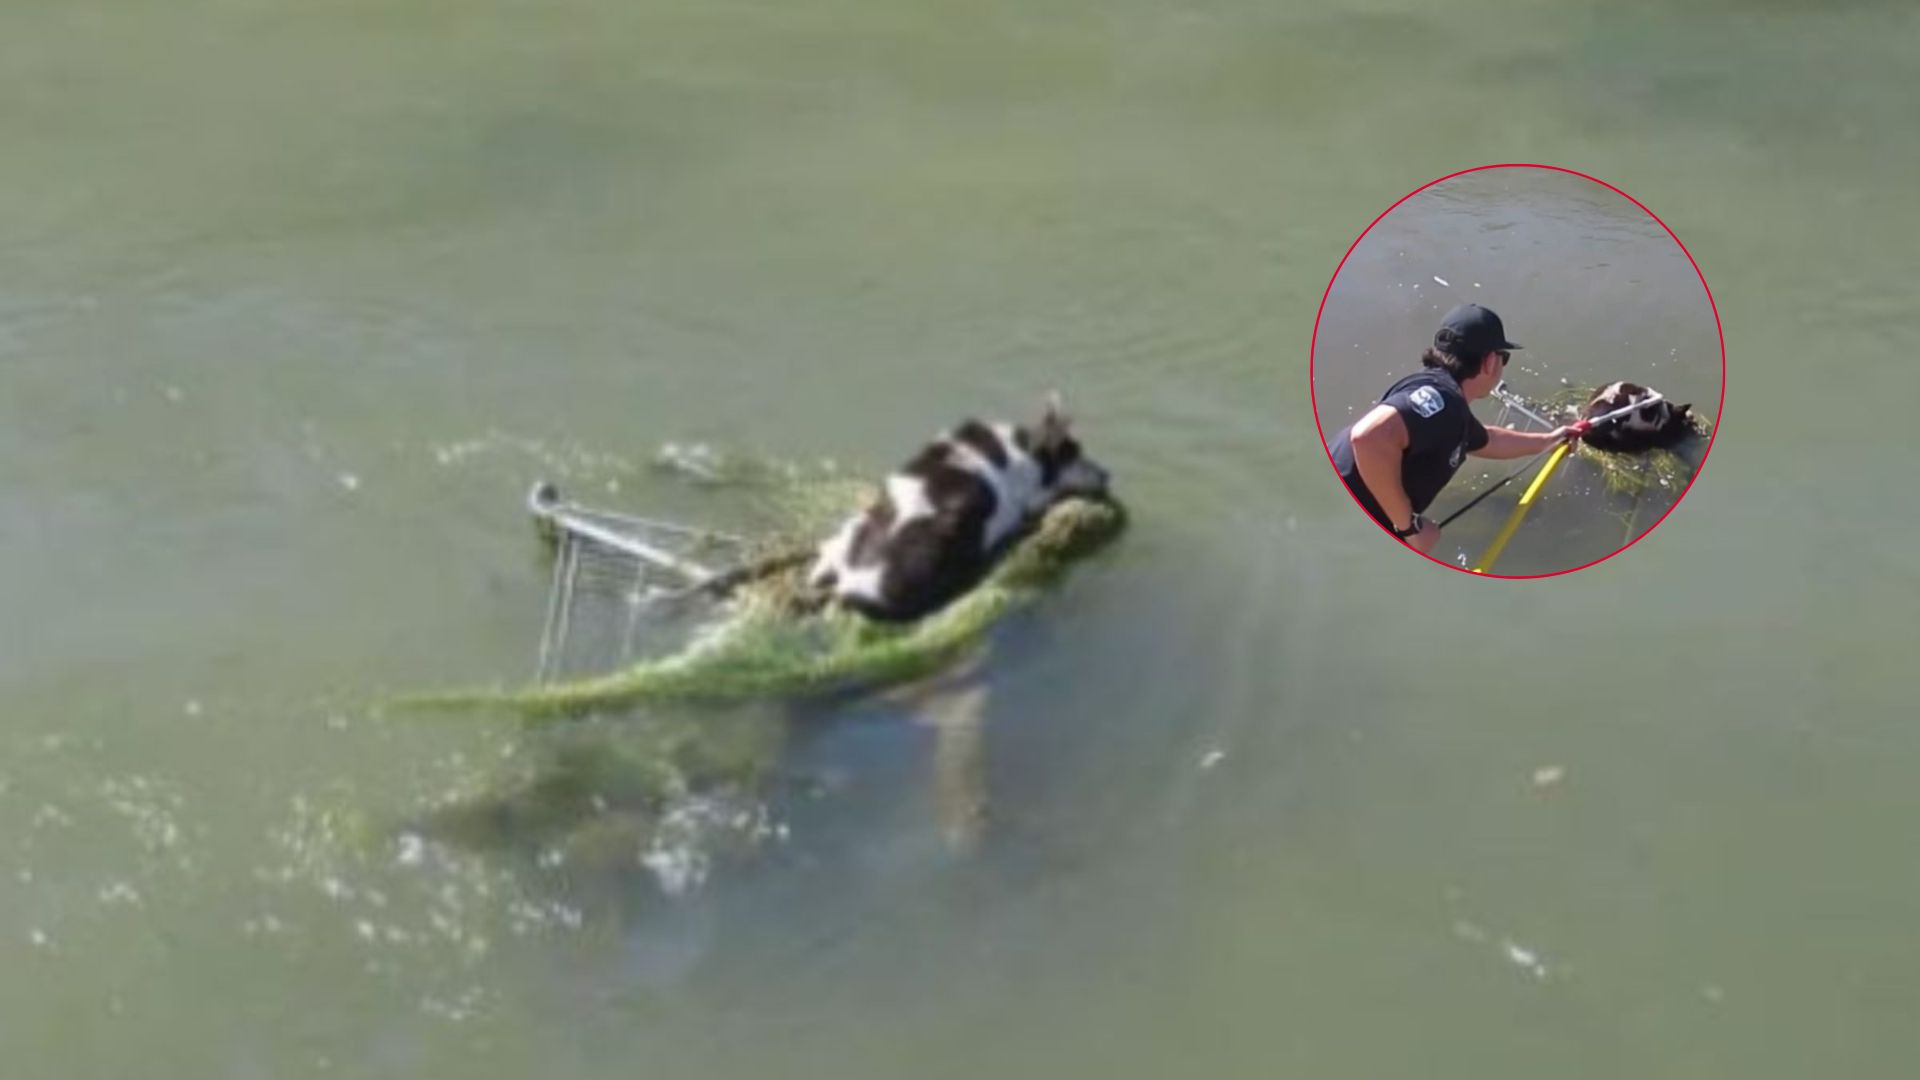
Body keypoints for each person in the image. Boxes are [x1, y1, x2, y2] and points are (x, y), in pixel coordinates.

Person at [1329, 304, 1580, 555]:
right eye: (1504, 357)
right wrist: (1409, 528)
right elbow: (1368, 437)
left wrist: (1548, 441)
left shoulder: (1445, 402)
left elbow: (1488, 440)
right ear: (1490, 362)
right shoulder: (1442, 401)